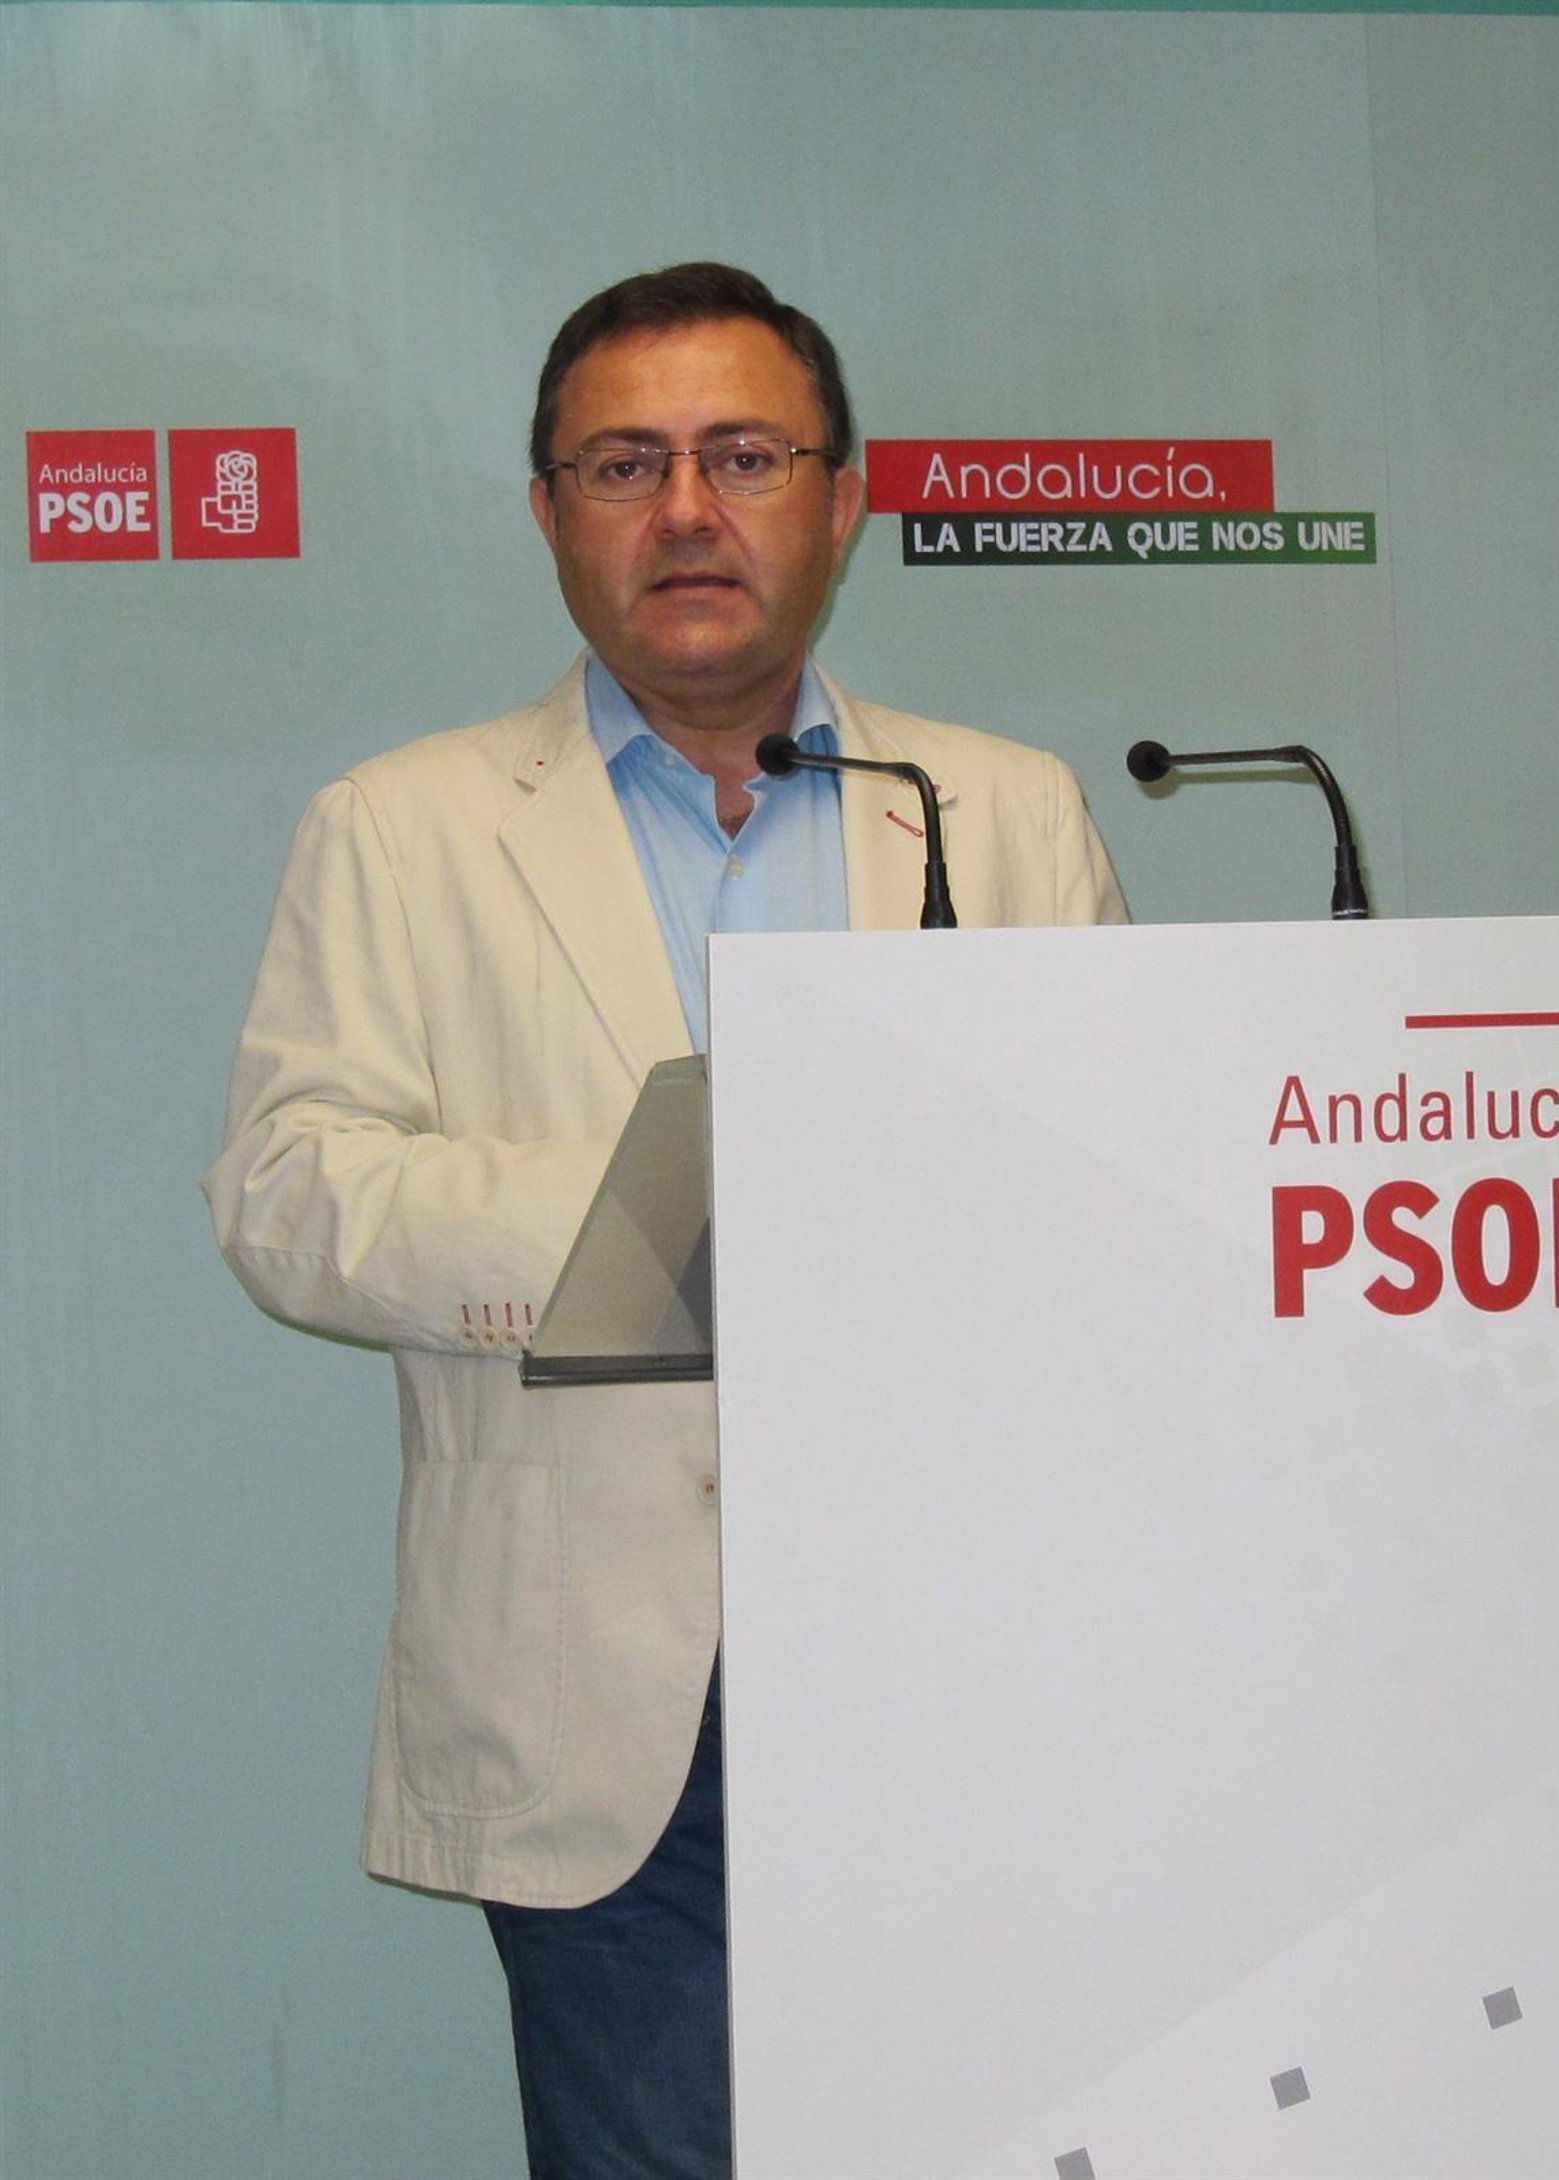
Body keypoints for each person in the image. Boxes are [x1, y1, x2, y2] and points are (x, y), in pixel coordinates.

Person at [202, 262, 1126, 2179]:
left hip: (964, 1656)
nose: (688, 510)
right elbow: (289, 1191)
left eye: (743, 456)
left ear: (843, 499)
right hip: (611, 1710)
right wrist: (682, 1208)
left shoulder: (1008, 811)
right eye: (625, 465)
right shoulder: (403, 828)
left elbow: (1110, 1198)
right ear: (549, 514)